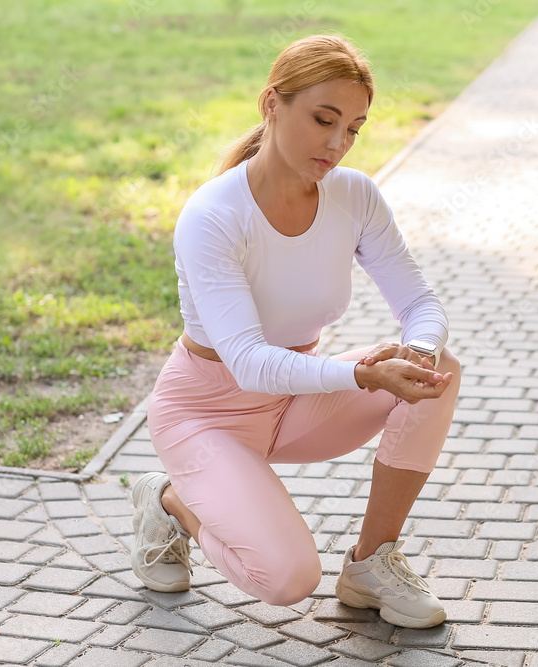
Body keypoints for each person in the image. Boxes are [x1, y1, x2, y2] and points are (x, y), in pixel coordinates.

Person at [127, 33, 460, 630]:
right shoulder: (214, 216)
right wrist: (360, 375)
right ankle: (168, 500)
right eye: (322, 119)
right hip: (207, 414)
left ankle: (371, 564)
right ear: (271, 105)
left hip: (295, 404)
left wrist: (418, 349)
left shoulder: (354, 195)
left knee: (441, 370)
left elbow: (420, 302)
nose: (337, 144)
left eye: (354, 128)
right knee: (286, 580)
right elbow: (250, 363)